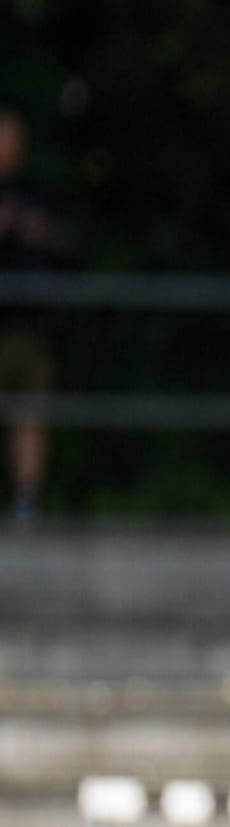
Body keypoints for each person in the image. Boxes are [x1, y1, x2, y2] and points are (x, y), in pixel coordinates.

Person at [0, 108, 60, 522]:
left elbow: (62, 239)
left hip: (31, 325)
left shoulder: (37, 191)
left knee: (30, 415)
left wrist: (33, 228)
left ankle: (26, 502)